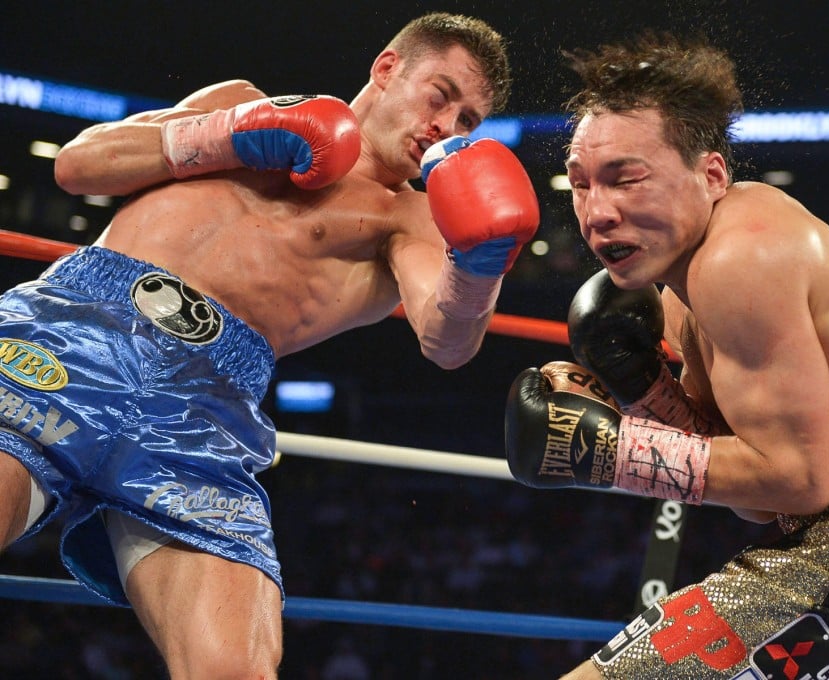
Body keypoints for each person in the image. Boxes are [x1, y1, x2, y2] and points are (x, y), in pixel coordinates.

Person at [0, 12, 539, 678]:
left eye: (467, 122)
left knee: (235, 670)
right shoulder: (242, 102)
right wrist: (230, 135)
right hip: (76, 326)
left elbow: (446, 341)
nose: (446, 127)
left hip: (203, 406)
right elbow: (80, 167)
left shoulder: (413, 219)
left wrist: (479, 265)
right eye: (441, 95)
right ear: (388, 67)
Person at [504, 32, 829, 679]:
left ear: (711, 174)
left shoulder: (741, 256)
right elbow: (760, 497)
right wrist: (648, 390)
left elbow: (800, 480)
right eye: (580, 185)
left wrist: (609, 454)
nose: (598, 212)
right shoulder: (682, 294)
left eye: (626, 179)